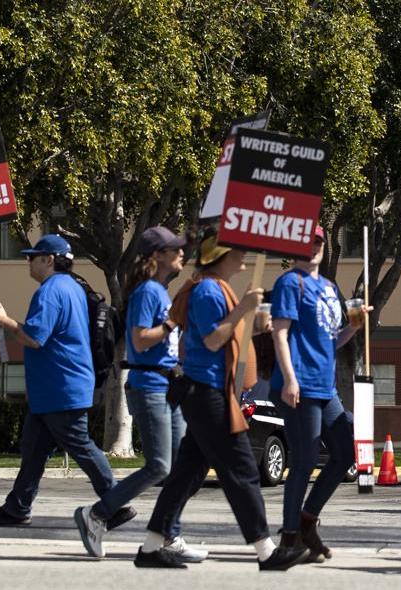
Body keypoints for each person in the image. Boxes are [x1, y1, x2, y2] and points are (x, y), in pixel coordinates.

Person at [131, 234, 277, 569]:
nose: (245, 256)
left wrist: (252, 323)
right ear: (223, 255)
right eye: (239, 250)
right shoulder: (210, 290)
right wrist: (244, 308)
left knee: (186, 474)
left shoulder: (212, 288)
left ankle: (151, 547)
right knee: (242, 471)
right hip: (208, 393)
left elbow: (220, 336)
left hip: (204, 391)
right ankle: (267, 551)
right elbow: (213, 341)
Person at [75, 226, 200, 561]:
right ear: (157, 256)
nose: (181, 253)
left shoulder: (159, 290)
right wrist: (173, 322)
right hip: (150, 387)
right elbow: (141, 338)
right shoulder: (147, 291)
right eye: (175, 249)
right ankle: (98, 514)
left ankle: (169, 535)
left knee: (179, 470)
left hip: (167, 385)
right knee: (160, 466)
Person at [0, 235, 118, 526]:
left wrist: (4, 320)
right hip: (56, 387)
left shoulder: (50, 291)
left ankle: (115, 502)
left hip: (60, 386)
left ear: (49, 260)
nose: (28, 261)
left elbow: (34, 337)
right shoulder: (73, 287)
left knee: (81, 445)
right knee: (33, 451)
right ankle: (17, 506)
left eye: (33, 256)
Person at [260, 226, 367, 570]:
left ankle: (307, 521)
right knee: (304, 460)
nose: (314, 247)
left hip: (326, 387)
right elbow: (280, 333)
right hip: (299, 386)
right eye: (308, 241)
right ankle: (290, 538)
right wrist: (289, 378)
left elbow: (330, 340)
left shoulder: (328, 287)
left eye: (319, 241)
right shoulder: (291, 283)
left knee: (344, 452)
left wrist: (354, 326)